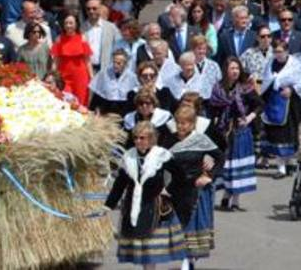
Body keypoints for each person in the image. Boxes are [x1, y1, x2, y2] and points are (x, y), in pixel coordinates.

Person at [105, 121, 186, 270]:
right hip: (134, 207)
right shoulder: (128, 157)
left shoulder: (162, 155)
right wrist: (108, 205)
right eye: (135, 137)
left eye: (142, 138)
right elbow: (120, 184)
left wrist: (168, 190)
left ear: (151, 139)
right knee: (140, 252)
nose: (138, 141)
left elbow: (180, 176)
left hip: (155, 207)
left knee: (150, 252)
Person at [164, 104, 222, 266]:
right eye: (179, 123)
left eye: (185, 123)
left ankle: (187, 261)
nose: (181, 126)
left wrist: (210, 176)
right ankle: (186, 259)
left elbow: (220, 157)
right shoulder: (170, 140)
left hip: (196, 190)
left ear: (192, 124)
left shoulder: (201, 140)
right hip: (177, 189)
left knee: (192, 226)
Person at [207, 57, 260, 210]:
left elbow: (259, 105)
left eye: (237, 68)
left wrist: (249, 118)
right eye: (232, 68)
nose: (235, 71)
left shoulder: (245, 88)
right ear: (226, 70)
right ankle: (225, 195)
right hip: (223, 132)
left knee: (238, 166)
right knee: (225, 165)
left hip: (240, 131)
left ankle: (235, 199)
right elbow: (212, 108)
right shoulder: (218, 88)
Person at [259, 39, 301, 178]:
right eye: (275, 52)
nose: (278, 54)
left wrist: (291, 89)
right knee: (276, 135)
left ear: (286, 51)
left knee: (288, 135)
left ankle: (289, 163)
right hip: (273, 101)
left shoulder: (295, 64)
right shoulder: (270, 63)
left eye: (280, 51)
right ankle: (281, 167)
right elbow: (266, 80)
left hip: (290, 103)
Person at [50, 11, 93, 107]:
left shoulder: (82, 38)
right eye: (66, 23)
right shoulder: (59, 39)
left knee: (80, 102)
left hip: (80, 76)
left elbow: (87, 60)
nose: (68, 26)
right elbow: (56, 61)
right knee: (64, 100)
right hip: (63, 76)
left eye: (71, 23)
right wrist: (52, 75)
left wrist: (91, 77)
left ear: (76, 24)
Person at [89, 49, 137, 116]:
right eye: (114, 62)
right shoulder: (104, 73)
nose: (115, 65)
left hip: (124, 110)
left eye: (119, 63)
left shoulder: (132, 77)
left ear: (125, 63)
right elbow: (97, 95)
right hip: (106, 108)